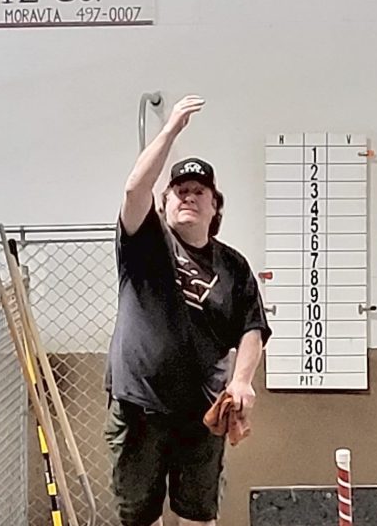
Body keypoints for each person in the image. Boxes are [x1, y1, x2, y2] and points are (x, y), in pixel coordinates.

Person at [103, 95, 272, 526]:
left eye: (199, 192)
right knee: (138, 516)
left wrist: (242, 381)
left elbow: (252, 327)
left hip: (203, 411)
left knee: (197, 516)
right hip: (140, 405)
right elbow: (133, 189)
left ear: (215, 206)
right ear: (164, 203)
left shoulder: (232, 266)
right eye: (179, 191)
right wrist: (171, 130)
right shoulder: (146, 244)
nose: (188, 198)